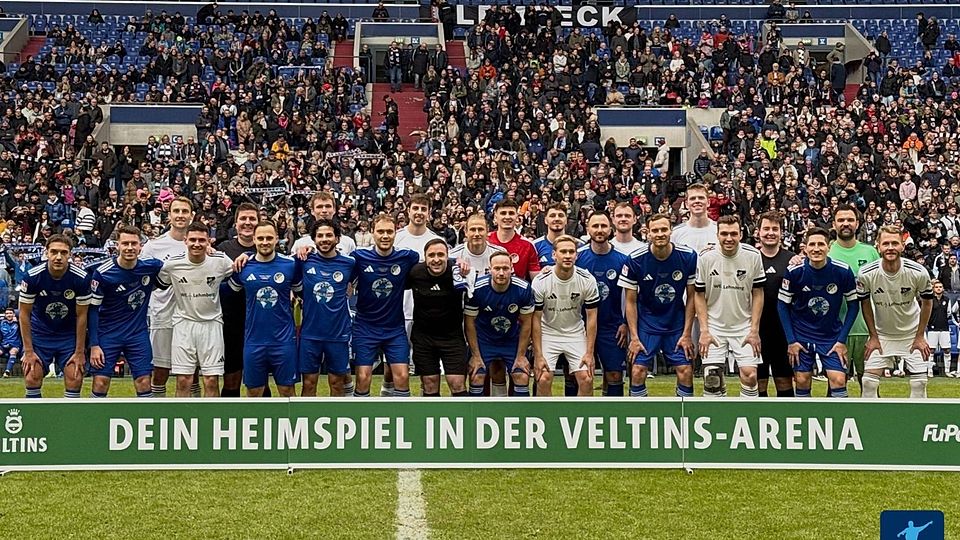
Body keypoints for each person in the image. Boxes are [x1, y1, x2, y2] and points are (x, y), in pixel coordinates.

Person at [619, 213, 697, 398]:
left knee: (685, 370)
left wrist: (687, 334)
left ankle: (684, 419)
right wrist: (635, 337)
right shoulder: (635, 259)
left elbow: (693, 296)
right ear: (648, 233)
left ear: (671, 230)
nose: (660, 233)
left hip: (675, 322)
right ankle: (638, 421)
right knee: (637, 371)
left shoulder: (688, 256)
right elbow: (630, 301)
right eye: (655, 230)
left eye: (664, 229)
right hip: (647, 323)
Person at [778, 228, 859, 398]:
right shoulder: (794, 272)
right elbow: (782, 305)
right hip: (801, 335)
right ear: (805, 248)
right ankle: (804, 420)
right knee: (801, 379)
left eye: (821, 244)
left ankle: (838, 421)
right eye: (812, 244)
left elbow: (853, 305)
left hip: (830, 337)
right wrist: (791, 341)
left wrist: (841, 340)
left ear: (828, 247)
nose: (816, 249)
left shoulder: (842, 271)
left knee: (838, 379)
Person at [157, 222, 234, 397]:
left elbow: (239, 271)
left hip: (212, 324)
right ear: (185, 240)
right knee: (184, 380)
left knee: (211, 380)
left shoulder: (220, 260)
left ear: (209, 242)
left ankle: (210, 422)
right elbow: (159, 284)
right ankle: (181, 422)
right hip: (184, 324)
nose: (197, 244)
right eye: (192, 240)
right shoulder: (172, 265)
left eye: (201, 240)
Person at [227, 220, 302, 397]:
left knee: (287, 393)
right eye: (260, 238)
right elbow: (228, 294)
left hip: (283, 341)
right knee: (254, 393)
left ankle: (288, 426)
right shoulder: (243, 266)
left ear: (277, 239)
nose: (265, 242)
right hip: (254, 341)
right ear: (254, 239)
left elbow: (304, 294)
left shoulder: (290, 265)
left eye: (269, 237)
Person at [88, 225, 165, 397]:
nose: (129, 248)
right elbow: (92, 310)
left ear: (140, 246)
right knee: (100, 382)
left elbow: (176, 265)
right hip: (108, 334)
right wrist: (94, 344)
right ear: (117, 246)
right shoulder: (103, 273)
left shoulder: (151, 267)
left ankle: (146, 422)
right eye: (125, 244)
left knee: (144, 382)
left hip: (137, 334)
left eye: (133, 243)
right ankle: (94, 422)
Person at [859, 225, 934, 399]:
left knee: (919, 383)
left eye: (895, 243)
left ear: (902, 245)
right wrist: (873, 336)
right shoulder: (866, 273)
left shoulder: (918, 272)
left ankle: (916, 422)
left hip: (912, 334)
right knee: (868, 383)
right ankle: (871, 424)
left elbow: (927, 303)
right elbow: (865, 304)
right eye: (886, 243)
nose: (890, 247)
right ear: (878, 245)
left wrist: (920, 335)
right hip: (882, 335)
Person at [694, 215, 765, 397]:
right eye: (724, 234)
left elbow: (758, 293)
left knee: (750, 376)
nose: (729, 238)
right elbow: (699, 294)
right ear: (717, 235)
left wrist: (754, 330)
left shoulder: (753, 255)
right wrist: (704, 330)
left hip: (744, 326)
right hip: (714, 327)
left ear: (741, 234)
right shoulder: (706, 257)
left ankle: (747, 420)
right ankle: (718, 420)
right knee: (712, 379)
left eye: (734, 233)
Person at [351, 213, 420, 397]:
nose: (385, 236)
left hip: (394, 328)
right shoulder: (359, 257)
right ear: (372, 233)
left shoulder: (407, 257)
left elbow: (431, 264)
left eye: (389, 232)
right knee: (363, 378)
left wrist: (456, 262)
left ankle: (401, 420)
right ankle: (361, 421)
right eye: (380, 231)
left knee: (403, 376)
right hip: (365, 327)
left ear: (395, 233)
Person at [18, 235, 91, 398]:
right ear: (47, 253)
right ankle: (33, 420)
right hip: (40, 333)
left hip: (67, 335)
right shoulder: (32, 276)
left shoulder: (82, 278)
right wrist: (28, 351)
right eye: (54, 252)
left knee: (75, 377)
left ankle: (70, 421)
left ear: (70, 255)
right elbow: (23, 314)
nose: (58, 257)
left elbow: (82, 316)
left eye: (63, 253)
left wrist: (80, 351)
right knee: (32, 376)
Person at [531, 235, 599, 396]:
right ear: (554, 255)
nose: (567, 255)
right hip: (548, 332)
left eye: (571, 252)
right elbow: (535, 319)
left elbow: (592, 317)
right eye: (563, 252)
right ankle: (545, 418)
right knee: (543, 378)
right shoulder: (541, 281)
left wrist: (590, 353)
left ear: (577, 255)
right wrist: (538, 354)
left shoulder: (587, 279)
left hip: (575, 332)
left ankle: (583, 419)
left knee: (587, 378)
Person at [141, 197, 195, 398]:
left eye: (184, 211)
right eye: (176, 211)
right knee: (161, 370)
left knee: (192, 371)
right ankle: (159, 410)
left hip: (191, 315)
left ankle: (193, 411)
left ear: (192, 216)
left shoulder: (198, 244)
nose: (180, 215)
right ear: (169, 215)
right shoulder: (154, 247)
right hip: (162, 314)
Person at [487, 198, 540, 396]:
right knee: (495, 368)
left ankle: (518, 411)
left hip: (518, 317)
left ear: (518, 218)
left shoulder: (527, 245)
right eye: (503, 213)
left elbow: (535, 283)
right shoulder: (486, 241)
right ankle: (498, 409)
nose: (507, 217)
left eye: (511, 213)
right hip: (489, 314)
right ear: (495, 217)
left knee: (519, 369)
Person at [297, 218, 355, 397]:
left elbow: (353, 286)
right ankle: (305, 422)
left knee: (337, 383)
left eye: (329, 235)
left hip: (338, 334)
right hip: (310, 334)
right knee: (308, 383)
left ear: (337, 238)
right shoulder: (303, 261)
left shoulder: (350, 263)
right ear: (313, 239)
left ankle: (337, 422)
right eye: (320, 236)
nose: (324, 239)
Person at [464, 251, 534, 397]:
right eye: (497, 268)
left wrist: (521, 355)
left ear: (512, 269)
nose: (501, 273)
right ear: (490, 269)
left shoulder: (523, 289)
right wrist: (475, 355)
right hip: (485, 339)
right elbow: (469, 323)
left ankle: (520, 416)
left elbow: (527, 323)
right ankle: (476, 415)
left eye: (505, 268)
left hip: (511, 339)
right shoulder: (476, 288)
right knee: (477, 375)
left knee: (521, 375)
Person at [827, 204, 880, 393]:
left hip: (866, 330)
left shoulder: (870, 253)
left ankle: (873, 423)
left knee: (870, 386)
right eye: (841, 220)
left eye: (850, 220)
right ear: (834, 224)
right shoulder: (826, 252)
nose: (845, 224)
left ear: (857, 223)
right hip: (836, 331)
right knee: (835, 385)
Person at [575, 211, 629, 396]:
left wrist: (625, 323)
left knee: (614, 374)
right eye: (595, 226)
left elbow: (628, 297)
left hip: (612, 326)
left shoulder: (622, 260)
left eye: (603, 226)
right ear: (587, 228)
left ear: (611, 228)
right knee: (579, 374)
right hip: (580, 327)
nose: (599, 230)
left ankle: (614, 417)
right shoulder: (577, 258)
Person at [391, 193, 440, 396]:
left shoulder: (436, 241)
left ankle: (424, 408)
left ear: (428, 213)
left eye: (423, 209)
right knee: (393, 367)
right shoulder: (397, 237)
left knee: (425, 366)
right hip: (397, 310)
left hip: (425, 313)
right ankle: (392, 408)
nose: (419, 213)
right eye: (415, 208)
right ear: (408, 210)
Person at [406, 239, 468, 396]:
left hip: (452, 337)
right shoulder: (415, 273)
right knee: (429, 384)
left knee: (457, 383)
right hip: (424, 337)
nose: (436, 259)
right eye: (431, 255)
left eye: (441, 254)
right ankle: (430, 419)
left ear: (447, 256)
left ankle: (461, 419)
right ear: (425, 258)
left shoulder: (457, 272)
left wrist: (458, 262)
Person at [216, 202, 263, 397]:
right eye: (243, 218)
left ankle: (263, 424)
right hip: (231, 322)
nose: (247, 222)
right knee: (232, 376)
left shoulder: (267, 246)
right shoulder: (223, 249)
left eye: (252, 218)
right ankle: (228, 422)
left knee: (259, 379)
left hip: (261, 323)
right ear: (235, 223)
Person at [756, 211, 797, 397]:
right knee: (758, 381)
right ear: (758, 232)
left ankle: (786, 420)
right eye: (766, 229)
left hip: (783, 330)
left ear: (781, 233)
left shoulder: (792, 260)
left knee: (784, 380)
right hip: (757, 330)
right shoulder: (751, 258)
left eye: (775, 229)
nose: (770, 233)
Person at [672, 183, 718, 254]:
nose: (697, 201)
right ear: (686, 204)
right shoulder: (675, 233)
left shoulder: (719, 230)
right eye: (692, 198)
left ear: (708, 202)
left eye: (701, 198)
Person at [927, 280, 956, 377]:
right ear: (933, 289)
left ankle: (947, 371)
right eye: (937, 287)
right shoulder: (930, 300)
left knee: (947, 350)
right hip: (932, 328)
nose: (938, 288)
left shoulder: (947, 300)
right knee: (931, 350)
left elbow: (949, 313)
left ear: (943, 289)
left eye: (940, 287)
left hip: (944, 328)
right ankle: (929, 371)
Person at [1, 307, 21, 377]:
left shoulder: (19, 323)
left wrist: (18, 322)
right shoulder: (2, 323)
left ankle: (7, 372)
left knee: (13, 352)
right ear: (5, 315)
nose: (9, 315)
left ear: (14, 314)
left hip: (15, 344)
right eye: (7, 313)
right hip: (4, 344)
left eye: (10, 313)